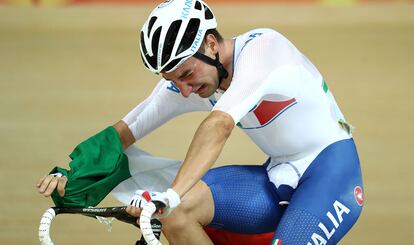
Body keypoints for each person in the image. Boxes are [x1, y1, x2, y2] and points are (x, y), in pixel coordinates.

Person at [38, 0, 364, 244]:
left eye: (186, 74)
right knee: (176, 215)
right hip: (278, 172)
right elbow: (122, 133)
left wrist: (171, 193)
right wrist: (75, 177)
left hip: (332, 174)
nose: (182, 89)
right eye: (172, 79)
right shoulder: (191, 80)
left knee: (173, 202)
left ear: (210, 43)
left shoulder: (265, 49)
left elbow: (218, 125)